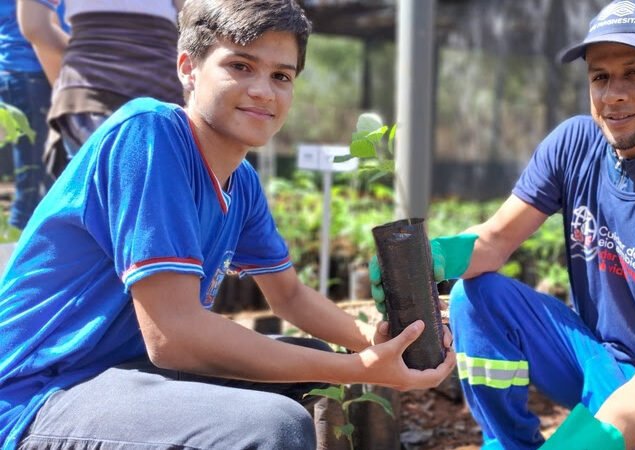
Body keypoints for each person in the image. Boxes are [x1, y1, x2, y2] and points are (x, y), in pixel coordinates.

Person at [0, 1, 455, 449]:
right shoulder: (149, 136)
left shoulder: (241, 182)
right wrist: (360, 367)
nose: (263, 90)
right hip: (39, 393)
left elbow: (290, 296)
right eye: (241, 66)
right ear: (187, 68)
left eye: (282, 75)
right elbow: (175, 338)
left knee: (314, 369)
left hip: (122, 372)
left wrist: (375, 342)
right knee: (272, 426)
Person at [369, 0, 635, 448]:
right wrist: (432, 258)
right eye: (600, 76)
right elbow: (494, 240)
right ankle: (509, 443)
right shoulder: (575, 144)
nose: (613, 95)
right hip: (595, 354)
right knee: (477, 296)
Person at [18, 0, 186, 178]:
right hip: (160, 93)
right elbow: (197, 20)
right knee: (160, 197)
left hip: (86, 99)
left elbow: (34, 27)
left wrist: (84, 55)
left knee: (98, 199)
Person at [0, 2, 64, 230]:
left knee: (45, 179)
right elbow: (37, 28)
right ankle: (14, 258)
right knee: (34, 182)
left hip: (38, 71)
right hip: (29, 72)